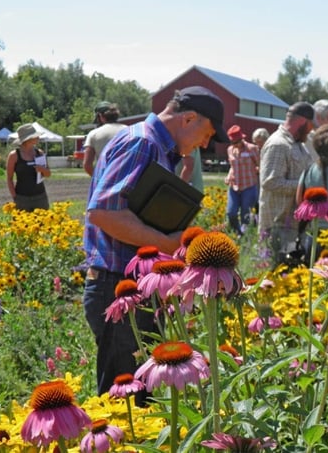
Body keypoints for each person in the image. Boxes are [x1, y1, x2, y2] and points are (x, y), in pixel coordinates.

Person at [83, 86, 227, 403]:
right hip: (118, 285)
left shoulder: (156, 146)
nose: (206, 144)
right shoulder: (142, 143)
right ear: (188, 118)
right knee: (124, 404)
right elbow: (104, 213)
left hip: (135, 283)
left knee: (143, 401)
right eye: (208, 134)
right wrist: (166, 240)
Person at [258, 102, 314, 260]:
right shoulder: (278, 144)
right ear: (303, 121)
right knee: (276, 272)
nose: (311, 130)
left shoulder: (299, 145)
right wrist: (304, 186)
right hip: (277, 226)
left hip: (292, 224)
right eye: (311, 125)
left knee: (290, 271)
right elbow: (270, 182)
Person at [6, 123, 52, 211]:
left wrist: (42, 170)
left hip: (40, 197)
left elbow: (48, 174)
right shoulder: (14, 155)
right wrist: (15, 197)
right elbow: (9, 178)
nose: (38, 138)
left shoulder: (40, 153)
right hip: (22, 198)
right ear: (28, 139)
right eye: (35, 136)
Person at [225, 125, 260, 235]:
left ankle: (245, 237)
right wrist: (228, 176)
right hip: (234, 186)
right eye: (233, 143)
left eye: (237, 142)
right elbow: (232, 166)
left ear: (241, 139)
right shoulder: (230, 150)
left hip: (248, 186)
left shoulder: (252, 149)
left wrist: (257, 171)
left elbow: (260, 164)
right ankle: (237, 232)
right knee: (231, 212)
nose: (235, 145)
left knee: (246, 214)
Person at [83, 102, 126, 177]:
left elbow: (87, 165)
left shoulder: (93, 134)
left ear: (100, 116)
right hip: (128, 179)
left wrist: (98, 179)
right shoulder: (128, 130)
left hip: (105, 179)